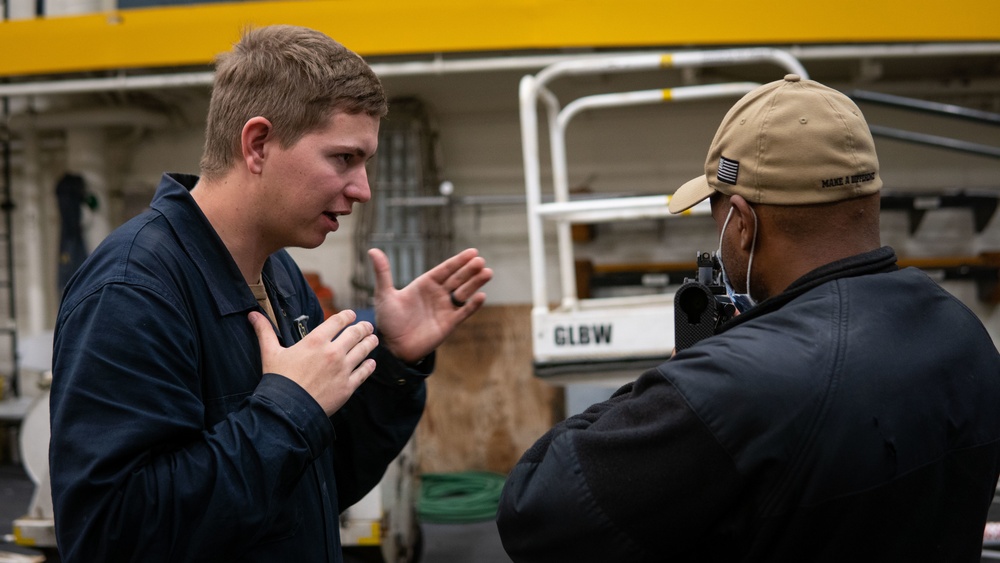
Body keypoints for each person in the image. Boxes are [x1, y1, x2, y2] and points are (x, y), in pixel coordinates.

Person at [496, 74, 1000, 562]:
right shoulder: (962, 334)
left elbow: (533, 511)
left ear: (741, 223)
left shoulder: (731, 385)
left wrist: (670, 379)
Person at [49, 25, 492, 563]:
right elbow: (110, 537)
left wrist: (395, 365)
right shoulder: (132, 291)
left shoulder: (279, 276)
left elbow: (316, 481)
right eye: (343, 158)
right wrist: (287, 410)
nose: (363, 189)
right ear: (258, 144)